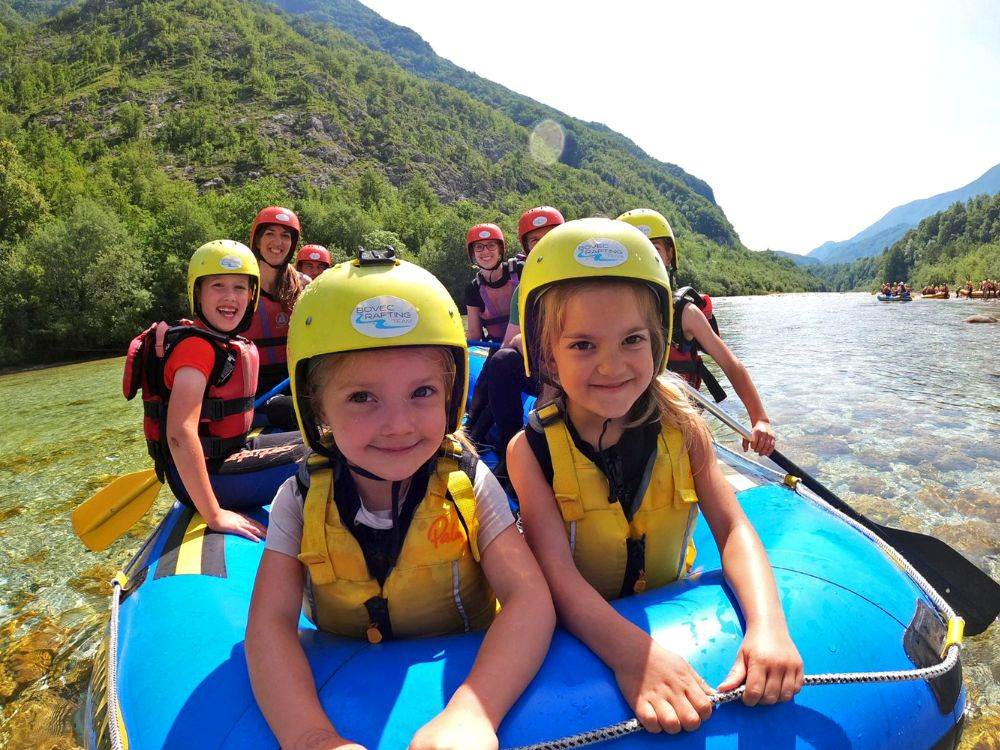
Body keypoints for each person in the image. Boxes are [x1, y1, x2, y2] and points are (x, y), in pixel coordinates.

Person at [245, 249, 554, 750]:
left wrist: (473, 712)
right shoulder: (298, 498)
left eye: (423, 393)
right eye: (362, 397)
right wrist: (311, 737)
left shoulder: (470, 484)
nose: (399, 425)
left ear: (451, 396)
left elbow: (530, 601)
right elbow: (268, 626)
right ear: (317, 407)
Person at [506, 218, 803, 736]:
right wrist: (632, 656)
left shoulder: (685, 429)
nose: (611, 365)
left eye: (631, 340)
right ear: (547, 351)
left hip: (676, 596)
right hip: (589, 634)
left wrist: (768, 625)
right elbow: (555, 573)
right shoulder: (530, 451)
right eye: (582, 345)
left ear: (657, 341)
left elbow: (733, 530)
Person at [123, 241, 303, 541]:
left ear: (252, 294)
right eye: (217, 285)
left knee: (325, 439)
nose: (230, 297)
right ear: (197, 293)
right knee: (325, 456)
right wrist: (215, 515)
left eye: (240, 287)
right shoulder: (196, 349)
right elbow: (180, 434)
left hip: (230, 454)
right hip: (209, 475)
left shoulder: (221, 342)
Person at [618, 209, 776, 456]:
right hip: (627, 421)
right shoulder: (608, 314)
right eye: (635, 250)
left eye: (655, 249)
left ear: (669, 256)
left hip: (675, 422)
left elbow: (731, 364)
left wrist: (760, 419)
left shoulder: (685, 313)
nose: (645, 257)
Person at [469, 207, 565, 471]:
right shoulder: (524, 289)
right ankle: (510, 447)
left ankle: (476, 430)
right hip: (543, 366)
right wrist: (541, 352)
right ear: (528, 247)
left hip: (579, 366)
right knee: (501, 360)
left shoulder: (583, 282)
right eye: (536, 240)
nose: (545, 244)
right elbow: (510, 342)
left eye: (552, 235)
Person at [244, 206, 310, 398]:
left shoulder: (304, 285)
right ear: (257, 240)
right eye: (270, 234)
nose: (278, 242)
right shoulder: (240, 286)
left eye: (285, 236)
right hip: (249, 385)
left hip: (293, 385)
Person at [464, 223, 519, 343]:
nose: (485, 251)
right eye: (479, 247)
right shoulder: (472, 289)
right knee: (497, 361)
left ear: (500, 249)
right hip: (498, 347)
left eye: (491, 245)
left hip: (531, 342)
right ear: (473, 253)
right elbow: (474, 334)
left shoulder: (521, 270)